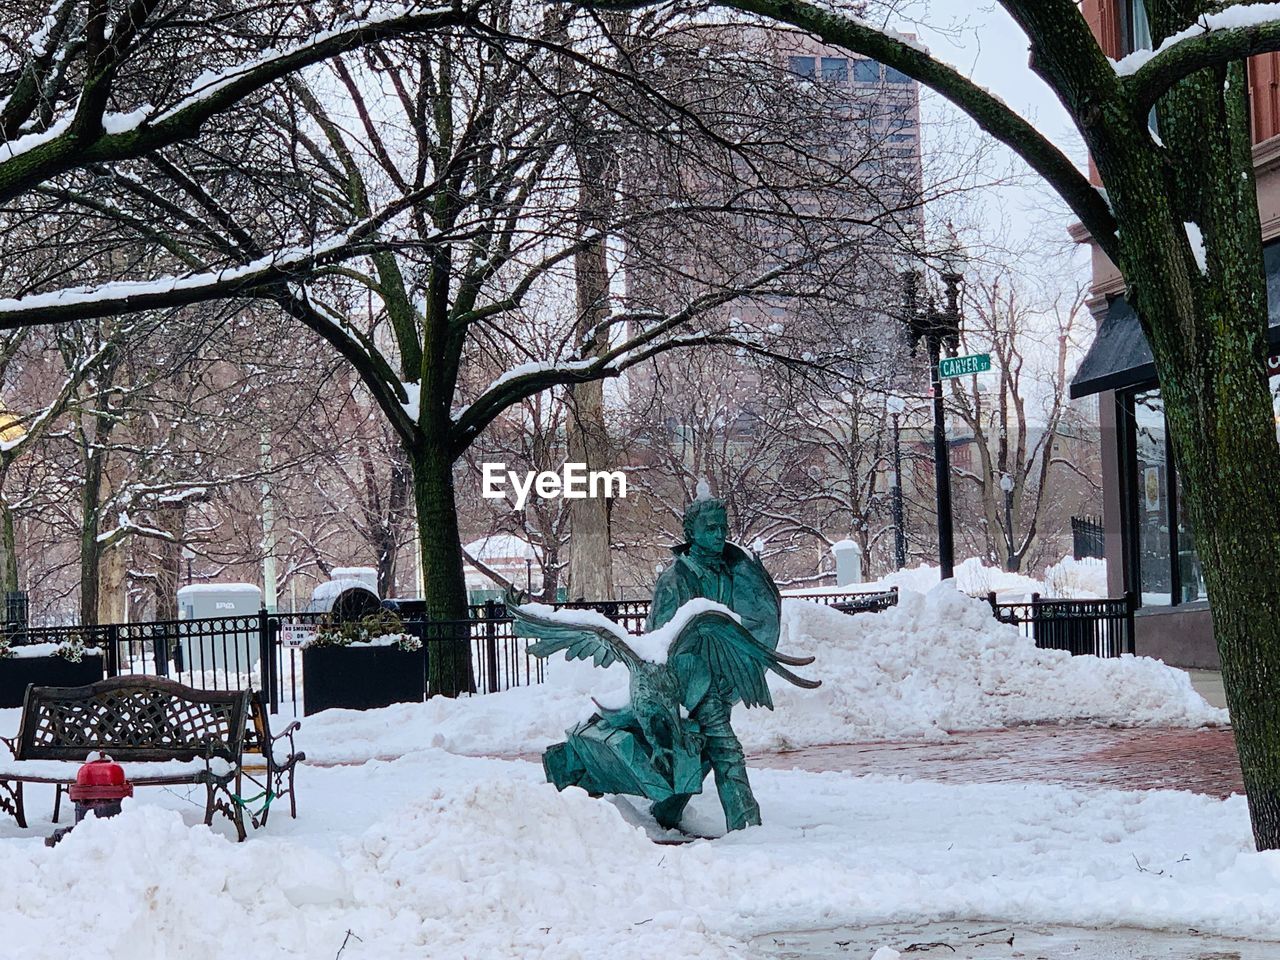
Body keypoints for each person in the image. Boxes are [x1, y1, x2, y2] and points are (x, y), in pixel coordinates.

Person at [645, 496, 781, 831]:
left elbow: (751, 615)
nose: (720, 534)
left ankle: (666, 811)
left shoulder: (732, 570)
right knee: (726, 748)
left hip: (723, 676)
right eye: (710, 528)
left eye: (723, 527)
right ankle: (747, 826)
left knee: (705, 749)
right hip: (692, 678)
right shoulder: (675, 579)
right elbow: (661, 638)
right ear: (691, 532)